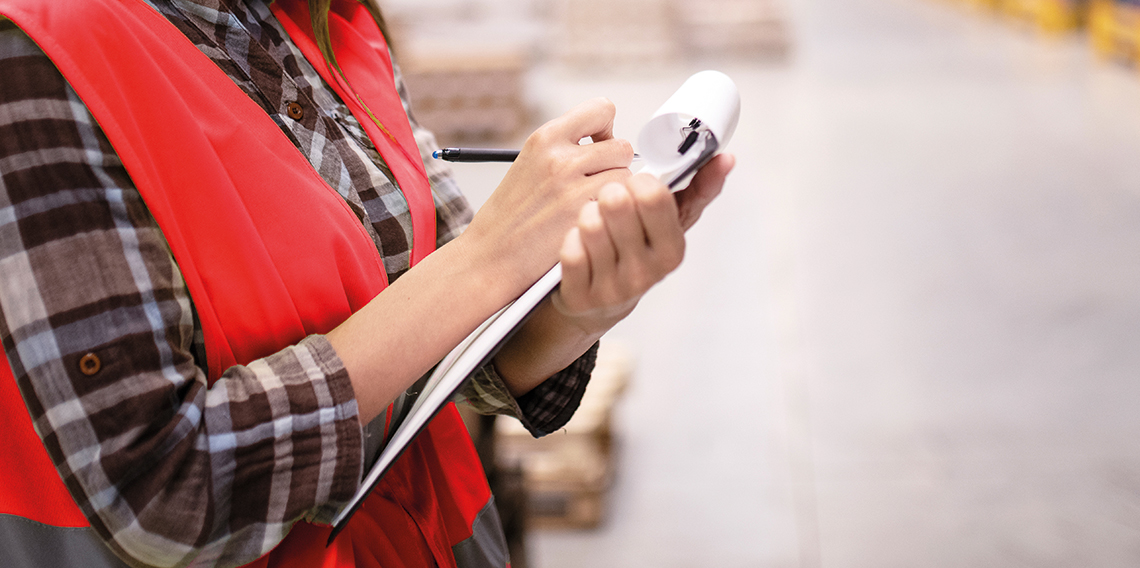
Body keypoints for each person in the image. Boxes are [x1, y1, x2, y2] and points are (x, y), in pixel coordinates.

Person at [0, 0, 734, 567]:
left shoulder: (321, 20)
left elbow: (453, 350)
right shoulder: (36, 53)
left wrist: (581, 303)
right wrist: (486, 259)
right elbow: (162, 490)